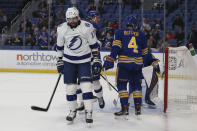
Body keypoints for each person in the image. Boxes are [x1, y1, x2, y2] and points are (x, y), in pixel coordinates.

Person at [56, 7, 102, 124]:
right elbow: (60, 47)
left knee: (86, 87)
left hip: (84, 61)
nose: (72, 21)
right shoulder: (61, 29)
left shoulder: (87, 27)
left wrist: (96, 59)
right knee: (70, 88)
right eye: (70, 19)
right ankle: (72, 110)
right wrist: (59, 60)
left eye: (74, 18)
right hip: (69, 62)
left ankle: (89, 111)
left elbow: (94, 45)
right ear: (67, 19)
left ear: (78, 17)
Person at [103, 16, 148, 118]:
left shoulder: (119, 32)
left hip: (124, 63)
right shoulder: (141, 34)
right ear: (135, 25)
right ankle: (137, 108)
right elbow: (145, 52)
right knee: (136, 85)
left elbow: (116, 47)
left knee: (122, 85)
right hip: (137, 64)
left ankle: (124, 108)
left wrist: (110, 59)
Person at [76, 10, 105, 111]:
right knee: (95, 80)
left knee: (80, 81)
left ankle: (81, 103)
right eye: (97, 16)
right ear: (92, 17)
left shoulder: (87, 25)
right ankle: (100, 98)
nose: (98, 19)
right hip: (90, 56)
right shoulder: (91, 25)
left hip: (88, 56)